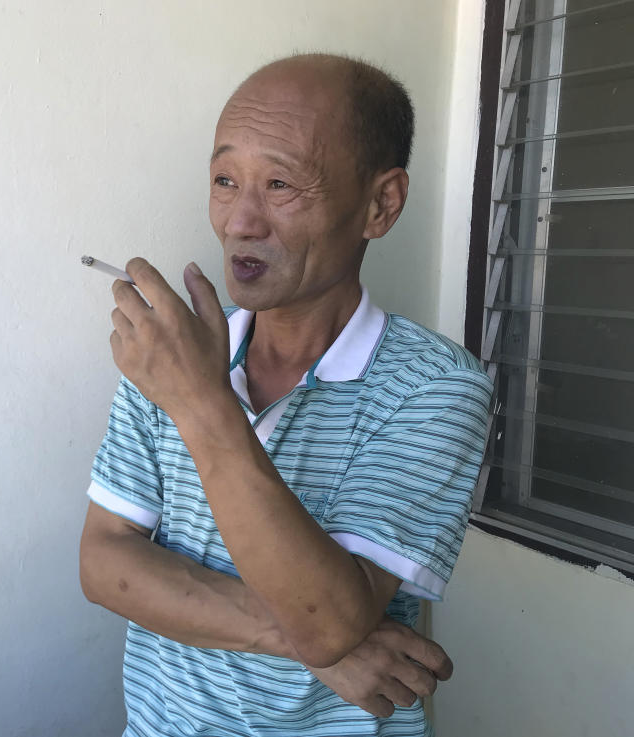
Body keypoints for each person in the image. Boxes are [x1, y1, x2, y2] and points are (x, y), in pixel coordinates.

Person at [79, 53, 493, 737]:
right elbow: (105, 561)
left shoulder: (436, 388)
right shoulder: (173, 354)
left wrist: (201, 403)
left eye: (279, 183)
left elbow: (332, 617)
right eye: (224, 179)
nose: (241, 220)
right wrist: (312, 644)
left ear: (380, 204)